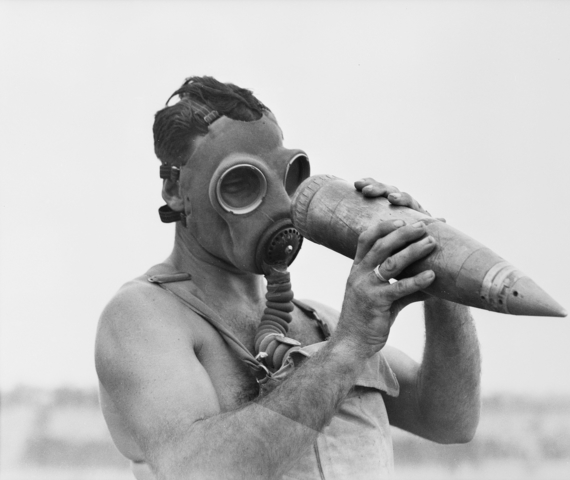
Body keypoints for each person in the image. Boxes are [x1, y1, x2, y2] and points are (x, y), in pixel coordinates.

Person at [95, 76, 481, 480]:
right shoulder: (143, 317)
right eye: (241, 183)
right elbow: (199, 471)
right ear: (176, 191)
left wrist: (438, 273)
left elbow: (450, 421)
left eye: (288, 177)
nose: (281, 204)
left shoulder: (321, 321)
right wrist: (348, 347)